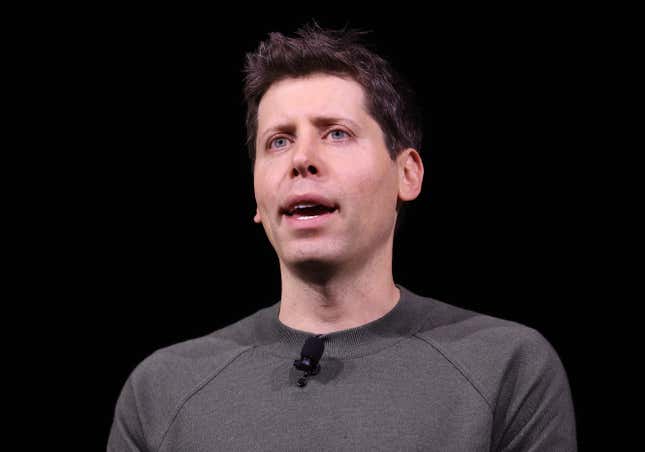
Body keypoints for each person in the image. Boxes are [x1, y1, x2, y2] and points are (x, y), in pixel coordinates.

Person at [107, 22, 577, 451]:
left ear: (406, 174)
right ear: (256, 196)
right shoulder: (162, 390)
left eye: (335, 134)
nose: (301, 159)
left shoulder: (506, 368)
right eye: (279, 141)